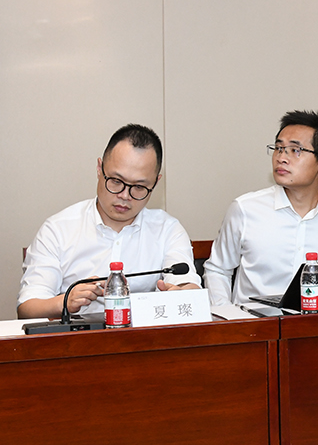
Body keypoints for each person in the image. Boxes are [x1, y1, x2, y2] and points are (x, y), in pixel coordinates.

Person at [18, 124, 199, 319]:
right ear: (99, 168)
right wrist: (64, 302)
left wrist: (183, 295)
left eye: (139, 187)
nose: (125, 196)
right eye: (116, 181)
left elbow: (187, 286)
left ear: (155, 182)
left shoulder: (168, 229)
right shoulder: (58, 229)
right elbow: (27, 308)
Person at [208, 110, 318, 308]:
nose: (281, 158)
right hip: (255, 323)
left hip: (316, 323)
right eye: (278, 148)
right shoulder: (245, 209)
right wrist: (228, 318)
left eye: (295, 150)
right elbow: (218, 270)